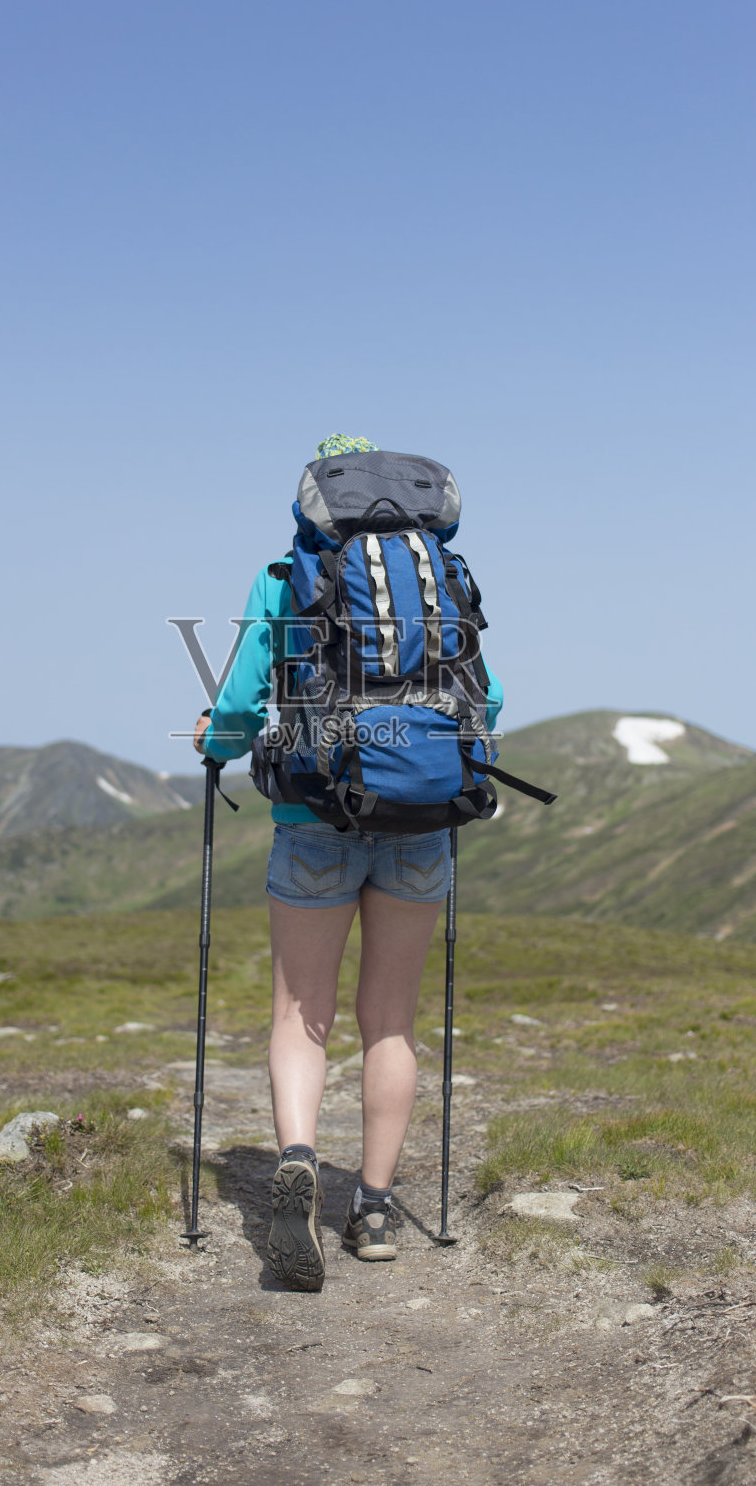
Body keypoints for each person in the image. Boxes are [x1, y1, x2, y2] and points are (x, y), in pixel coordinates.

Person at [192, 434, 502, 1291]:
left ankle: (295, 1154)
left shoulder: (285, 577)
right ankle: (371, 1206)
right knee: (391, 1021)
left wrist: (215, 741)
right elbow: (491, 695)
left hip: (312, 813)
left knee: (301, 1012)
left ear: (313, 499)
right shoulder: (442, 572)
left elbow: (246, 694)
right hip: (420, 814)